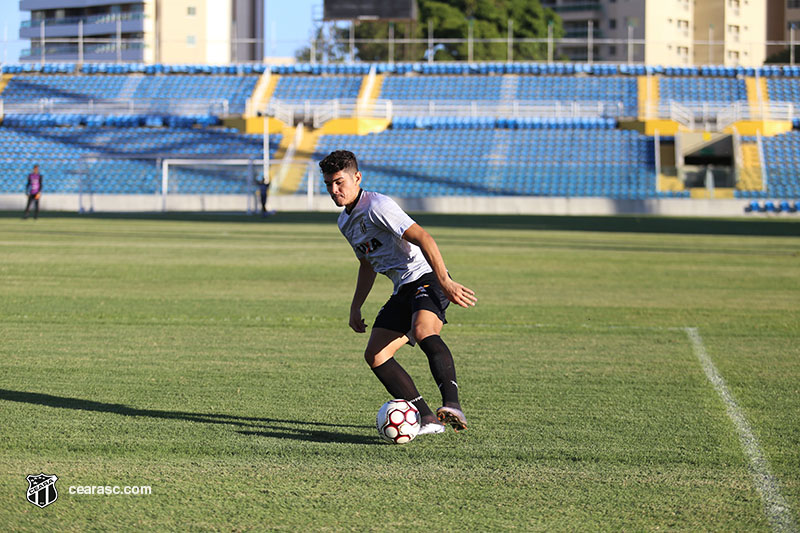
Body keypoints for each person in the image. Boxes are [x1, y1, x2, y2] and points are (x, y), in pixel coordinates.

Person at [320, 150, 477, 435]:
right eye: (329, 184)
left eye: (339, 182)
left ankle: (452, 405)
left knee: (423, 330)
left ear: (357, 178)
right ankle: (428, 418)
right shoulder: (345, 222)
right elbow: (366, 264)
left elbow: (423, 237)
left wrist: (445, 281)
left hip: (427, 277)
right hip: (403, 287)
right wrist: (356, 306)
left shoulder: (377, 206)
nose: (334, 190)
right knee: (376, 355)